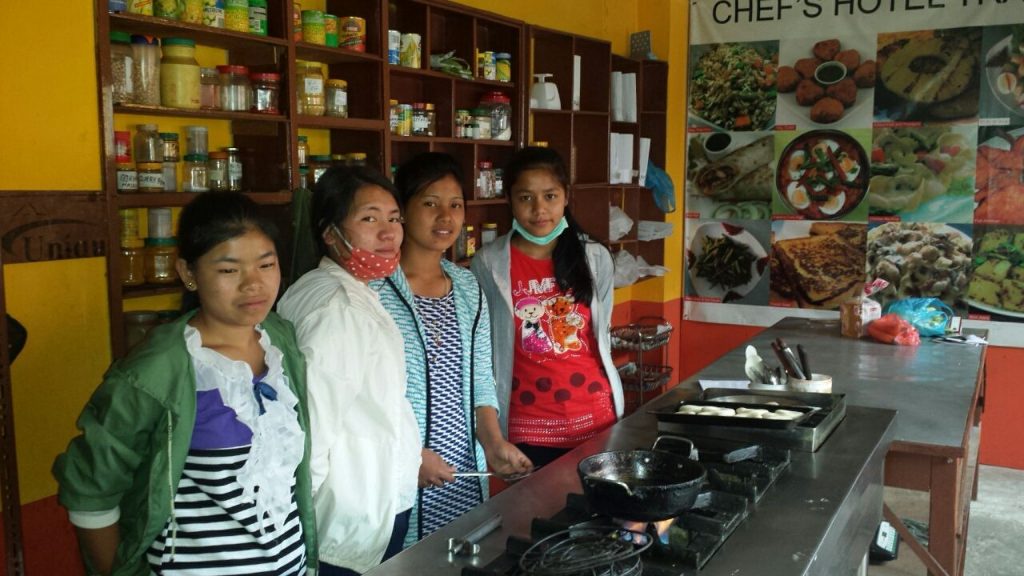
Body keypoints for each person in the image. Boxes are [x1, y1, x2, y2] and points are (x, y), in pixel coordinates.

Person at [53, 192, 316, 576]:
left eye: (266, 264)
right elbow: (91, 488)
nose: (254, 284)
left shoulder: (279, 341)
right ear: (188, 273)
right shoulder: (157, 370)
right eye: (229, 270)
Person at [374, 152, 532, 547]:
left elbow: (481, 380)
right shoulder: (374, 290)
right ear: (402, 211)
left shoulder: (466, 286)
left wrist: (493, 444)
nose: (445, 217)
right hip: (399, 476)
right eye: (430, 203)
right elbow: (364, 398)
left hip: (462, 473)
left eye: (456, 205)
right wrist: (409, 456)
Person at [277, 166, 421, 575]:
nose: (389, 233)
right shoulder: (338, 309)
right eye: (369, 219)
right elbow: (314, 427)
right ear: (330, 232)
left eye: (394, 218)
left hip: (363, 506)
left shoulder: (333, 289)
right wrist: (301, 529)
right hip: (345, 519)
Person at [471, 147, 625, 467]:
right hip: (527, 429)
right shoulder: (488, 264)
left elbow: (602, 335)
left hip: (596, 419)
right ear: (509, 200)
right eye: (525, 197)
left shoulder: (595, 257)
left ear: (566, 196)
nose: (539, 209)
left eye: (550, 196)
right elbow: (483, 348)